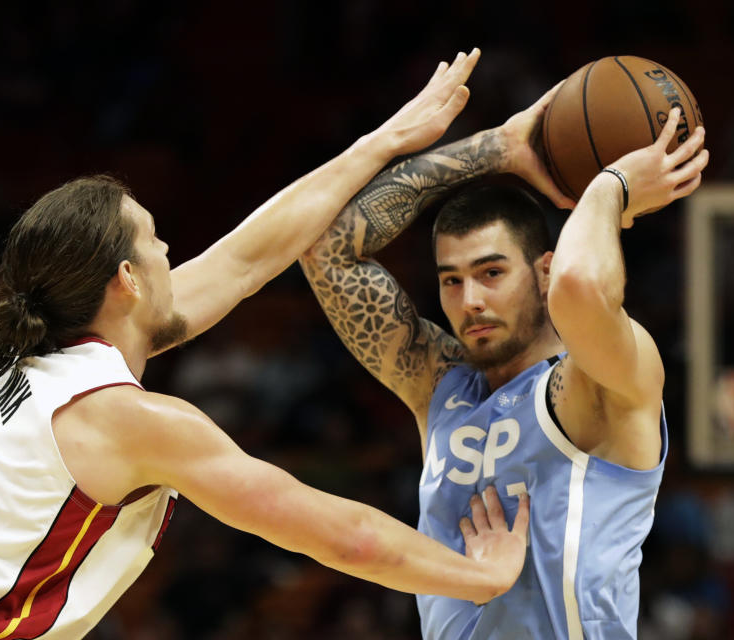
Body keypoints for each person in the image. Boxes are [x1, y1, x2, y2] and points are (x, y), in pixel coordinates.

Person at [0, 50, 533, 640]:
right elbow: (335, 535)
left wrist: (383, 142)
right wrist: (481, 575)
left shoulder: (32, 363)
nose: (172, 251)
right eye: (156, 238)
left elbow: (247, 259)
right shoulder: (129, 422)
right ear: (127, 280)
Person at [299, 80, 709, 640]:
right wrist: (498, 148)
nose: (470, 300)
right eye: (451, 280)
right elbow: (325, 245)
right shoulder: (438, 386)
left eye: (492, 273)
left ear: (542, 271)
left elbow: (580, 285)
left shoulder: (595, 382)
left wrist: (608, 187)